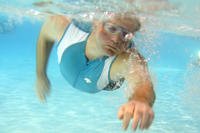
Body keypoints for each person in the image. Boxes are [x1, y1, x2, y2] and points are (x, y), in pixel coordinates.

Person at [35, 13, 155, 131]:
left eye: (126, 34)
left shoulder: (127, 58)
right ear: (95, 21)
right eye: (112, 28)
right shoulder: (65, 28)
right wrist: (40, 75)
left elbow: (143, 84)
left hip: (109, 81)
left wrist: (140, 100)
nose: (116, 40)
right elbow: (44, 34)